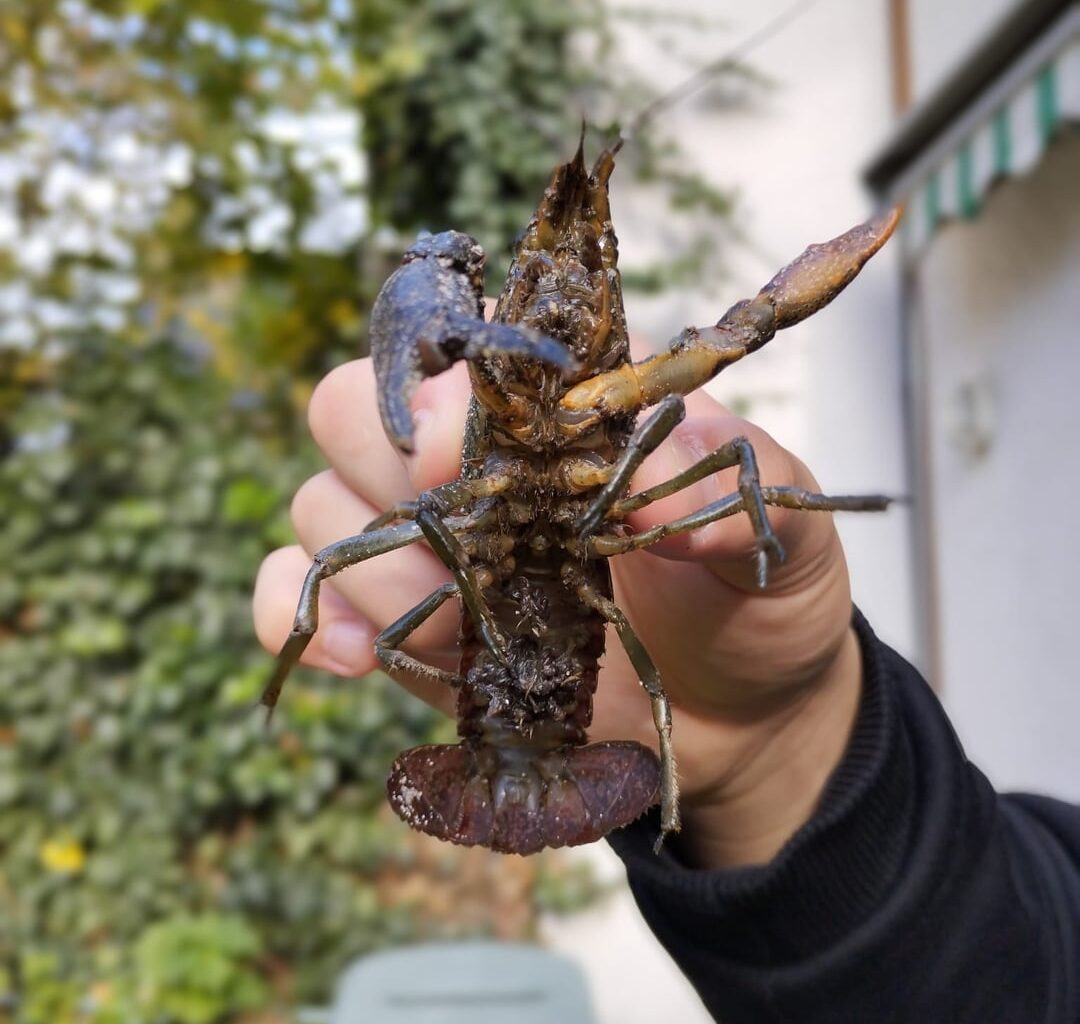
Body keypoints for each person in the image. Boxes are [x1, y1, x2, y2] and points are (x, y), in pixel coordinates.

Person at [252, 357, 1079, 1023]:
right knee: (347, 545)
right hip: (529, 673)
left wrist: (763, 746)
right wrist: (789, 734)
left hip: (582, 653)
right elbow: (1026, 974)